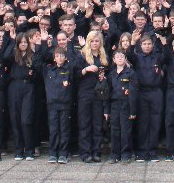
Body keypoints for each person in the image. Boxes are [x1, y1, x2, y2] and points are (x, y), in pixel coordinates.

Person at [126, 33, 165, 162]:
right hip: (142, 93)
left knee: (155, 122)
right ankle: (141, 151)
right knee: (142, 123)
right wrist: (132, 42)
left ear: (152, 45)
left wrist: (164, 43)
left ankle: (153, 151)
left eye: (149, 44)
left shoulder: (157, 57)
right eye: (144, 44)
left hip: (156, 92)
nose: (147, 46)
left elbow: (167, 56)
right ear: (141, 46)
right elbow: (129, 55)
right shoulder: (137, 57)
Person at [4, 30, 42, 160]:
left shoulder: (33, 55)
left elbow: (39, 70)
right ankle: (19, 150)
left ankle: (29, 150)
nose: (23, 44)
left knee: (26, 120)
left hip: (29, 88)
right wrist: (12, 41)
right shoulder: (14, 56)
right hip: (14, 87)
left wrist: (38, 46)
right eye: (21, 42)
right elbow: (5, 57)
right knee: (15, 120)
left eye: (25, 42)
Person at [76, 30, 109, 163]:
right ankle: (85, 152)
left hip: (99, 94)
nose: (95, 43)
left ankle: (96, 151)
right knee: (85, 124)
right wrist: (86, 69)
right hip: (85, 93)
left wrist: (104, 77)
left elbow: (110, 74)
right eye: (92, 41)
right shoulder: (82, 56)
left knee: (97, 124)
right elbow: (74, 74)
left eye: (97, 41)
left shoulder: (104, 57)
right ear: (88, 42)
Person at [104, 49, 139, 163]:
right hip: (114, 105)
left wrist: (133, 111)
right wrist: (106, 110)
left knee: (125, 131)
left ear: (125, 59)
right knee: (114, 130)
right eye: (117, 56)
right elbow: (107, 93)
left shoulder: (131, 73)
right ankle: (115, 155)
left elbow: (133, 93)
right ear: (113, 60)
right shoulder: (111, 74)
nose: (120, 58)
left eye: (122, 56)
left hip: (126, 105)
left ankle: (126, 154)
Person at [43, 46, 73, 164]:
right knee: (53, 129)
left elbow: (76, 62)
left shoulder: (69, 69)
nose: (60, 58)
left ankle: (63, 153)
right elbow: (39, 60)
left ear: (65, 57)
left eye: (62, 56)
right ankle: (53, 153)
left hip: (65, 104)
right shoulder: (49, 69)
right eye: (57, 56)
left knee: (64, 129)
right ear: (54, 58)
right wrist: (43, 43)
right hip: (52, 104)